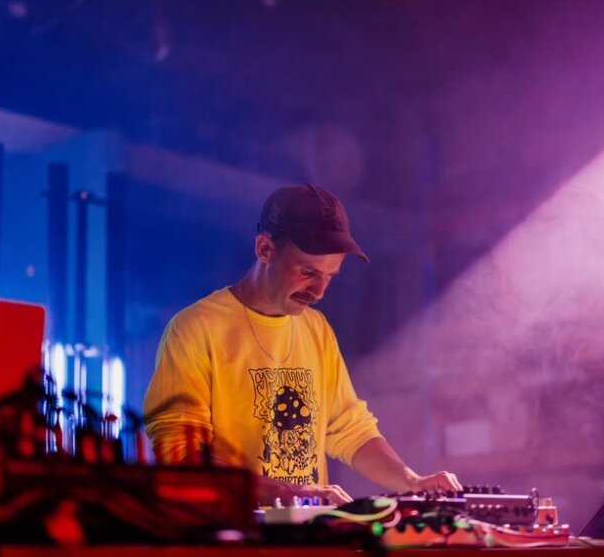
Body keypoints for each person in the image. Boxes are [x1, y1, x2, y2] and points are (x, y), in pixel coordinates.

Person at [143, 183, 460, 505]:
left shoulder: (316, 328)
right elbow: (181, 455)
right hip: (231, 540)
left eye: (330, 276)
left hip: (301, 536)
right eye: (308, 271)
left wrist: (412, 481)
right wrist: (287, 494)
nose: (319, 291)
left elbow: (350, 429)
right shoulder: (195, 328)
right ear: (265, 248)